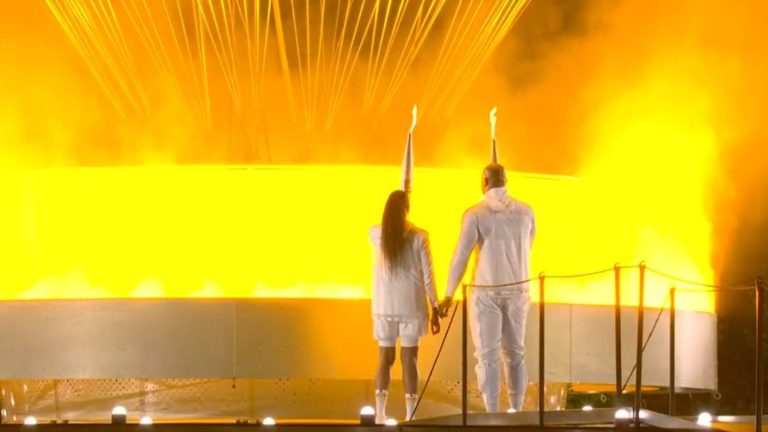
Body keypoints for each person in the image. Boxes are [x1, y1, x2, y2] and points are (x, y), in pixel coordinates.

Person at [439, 163, 535, 413]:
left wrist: (448, 294)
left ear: (484, 182)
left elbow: (461, 255)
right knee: (516, 353)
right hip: (518, 290)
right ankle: (516, 408)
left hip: (486, 292)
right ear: (506, 180)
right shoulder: (526, 212)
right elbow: (529, 243)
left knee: (488, 355)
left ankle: (492, 412)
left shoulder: (475, 214)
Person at [370, 190, 441, 423]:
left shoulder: (374, 234)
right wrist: (435, 305)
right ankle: (411, 415)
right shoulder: (420, 236)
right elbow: (428, 276)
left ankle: (380, 413)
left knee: (384, 357)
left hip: (384, 305)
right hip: (411, 305)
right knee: (409, 359)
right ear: (407, 208)